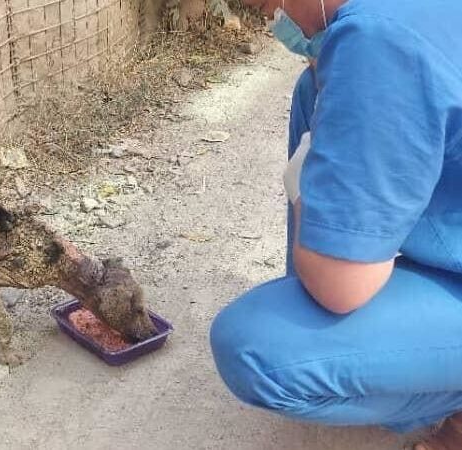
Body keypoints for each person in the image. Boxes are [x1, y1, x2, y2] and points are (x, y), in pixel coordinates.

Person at [208, 0, 462, 449]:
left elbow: (342, 289)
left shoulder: (378, 41)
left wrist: (305, 184)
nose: (274, 24)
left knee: (257, 350)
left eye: (266, 6)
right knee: (316, 89)